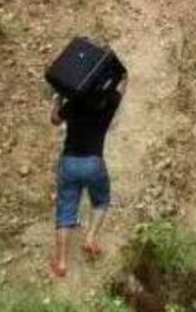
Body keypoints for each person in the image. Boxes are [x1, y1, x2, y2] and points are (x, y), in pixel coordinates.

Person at [50, 75, 127, 277]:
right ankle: (90, 237)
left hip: (69, 162)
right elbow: (122, 87)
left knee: (65, 211)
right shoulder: (107, 103)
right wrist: (120, 74)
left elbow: (55, 119)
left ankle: (62, 263)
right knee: (101, 201)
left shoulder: (74, 102)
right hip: (94, 162)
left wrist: (57, 97)